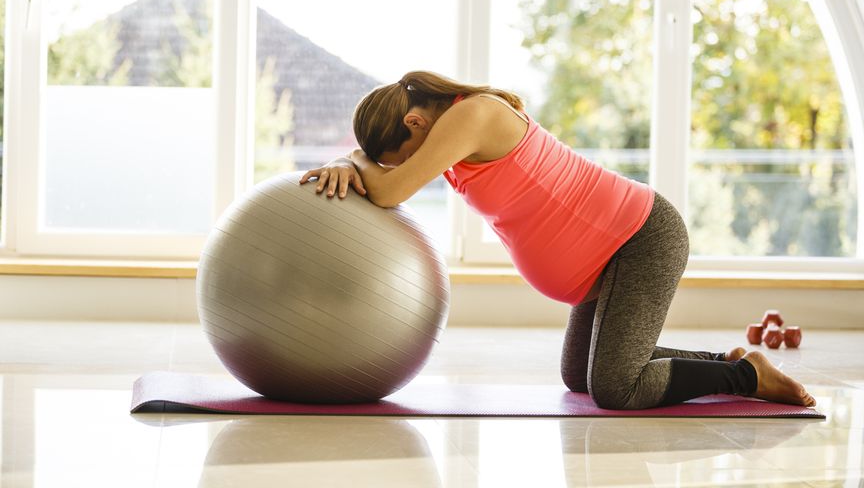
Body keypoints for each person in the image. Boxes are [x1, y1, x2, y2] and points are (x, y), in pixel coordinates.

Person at [299, 70, 816, 410]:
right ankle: (729, 364)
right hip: (609, 257)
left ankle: (746, 380)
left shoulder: (471, 115)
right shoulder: (451, 131)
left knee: (616, 388)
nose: (405, 166)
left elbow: (387, 193)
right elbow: (391, 182)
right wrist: (355, 160)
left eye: (402, 154)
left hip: (640, 237)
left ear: (414, 122)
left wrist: (354, 161)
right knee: (580, 377)